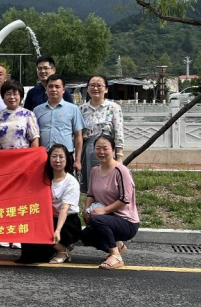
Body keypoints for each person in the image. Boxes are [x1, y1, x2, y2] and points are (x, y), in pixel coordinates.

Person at [0, 80, 39, 249]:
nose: (12, 97)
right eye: (8, 94)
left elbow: (34, 139)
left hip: (22, 164)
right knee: (3, 199)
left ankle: (18, 235)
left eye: (15, 94)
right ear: (3, 97)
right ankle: (4, 233)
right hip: (2, 165)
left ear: (21, 96)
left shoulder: (28, 114)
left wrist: (33, 162)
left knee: (20, 200)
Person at [81, 134, 139, 270]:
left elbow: (125, 199)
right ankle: (118, 246)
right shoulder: (94, 171)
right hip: (107, 218)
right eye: (98, 148)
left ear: (113, 150)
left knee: (97, 220)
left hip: (126, 221)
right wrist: (87, 210)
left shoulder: (121, 171)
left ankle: (115, 256)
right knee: (85, 235)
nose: (101, 152)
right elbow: (91, 194)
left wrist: (104, 210)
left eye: (105, 148)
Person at [17, 144, 81, 264]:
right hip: (48, 219)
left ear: (67, 159)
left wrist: (57, 230)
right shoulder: (44, 178)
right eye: (54, 156)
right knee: (29, 256)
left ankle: (63, 250)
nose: (57, 160)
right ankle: (54, 247)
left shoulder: (71, 182)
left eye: (61, 157)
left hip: (67, 222)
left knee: (45, 236)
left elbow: (64, 209)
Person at [79, 75, 125, 193]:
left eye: (99, 85)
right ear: (87, 88)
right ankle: (92, 203)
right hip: (88, 149)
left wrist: (119, 157)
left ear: (106, 89)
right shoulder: (81, 109)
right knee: (91, 183)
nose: (95, 88)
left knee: (107, 183)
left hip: (107, 149)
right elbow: (78, 134)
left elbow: (119, 132)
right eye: (92, 85)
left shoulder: (114, 108)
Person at [34, 74, 84, 173]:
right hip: (44, 156)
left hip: (65, 156)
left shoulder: (73, 109)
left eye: (57, 87)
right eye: (50, 86)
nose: (53, 89)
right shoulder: (37, 110)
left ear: (63, 90)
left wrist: (78, 160)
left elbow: (78, 136)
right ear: (46, 89)